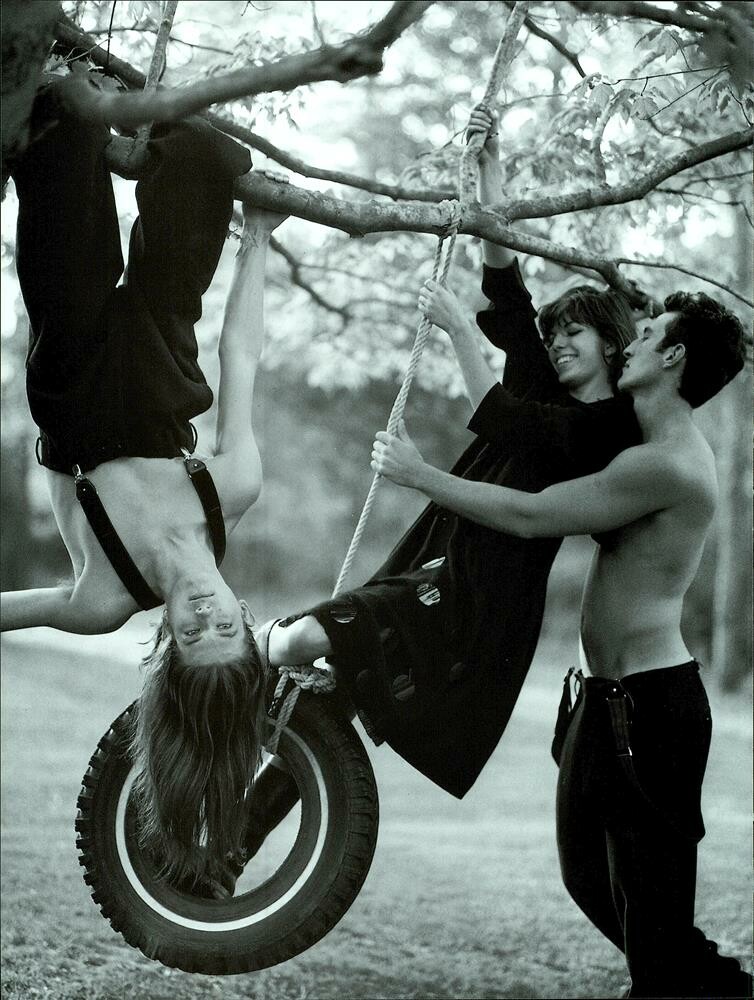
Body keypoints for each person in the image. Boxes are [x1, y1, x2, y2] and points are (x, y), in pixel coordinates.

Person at [250, 106, 642, 838]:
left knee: (303, 644)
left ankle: (226, 661)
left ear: (612, 346)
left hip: (478, 599)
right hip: (443, 563)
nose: (558, 343)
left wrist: (458, 334)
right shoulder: (547, 389)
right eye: (556, 334)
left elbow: (502, 417)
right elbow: (507, 287)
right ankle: (231, 848)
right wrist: (490, 168)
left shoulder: (602, 431)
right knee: (330, 698)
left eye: (575, 333)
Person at [371, 288, 750, 998]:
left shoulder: (665, 464)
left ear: (674, 357)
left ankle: (684, 984)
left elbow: (531, 515)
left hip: (652, 708)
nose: (631, 341)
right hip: (600, 699)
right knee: (590, 880)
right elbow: (531, 420)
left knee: (653, 911)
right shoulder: (633, 444)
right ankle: (704, 983)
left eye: (648, 334)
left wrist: (421, 476)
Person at [0, 76, 286, 890]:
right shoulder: (234, 490)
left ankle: (79, 115)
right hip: (163, 329)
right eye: (224, 626)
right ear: (244, 617)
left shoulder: (101, 599)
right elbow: (241, 357)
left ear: (167, 645)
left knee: (59, 124)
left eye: (191, 636)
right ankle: (139, 129)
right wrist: (257, 237)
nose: (202, 615)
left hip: (73, 354)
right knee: (206, 153)